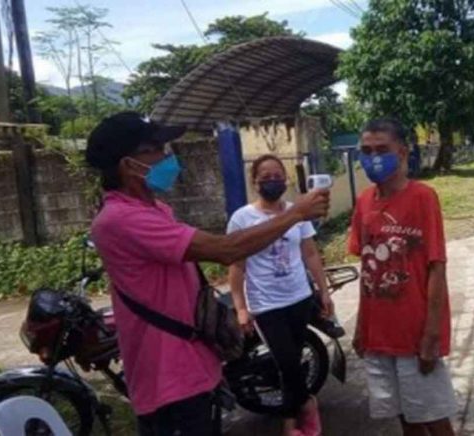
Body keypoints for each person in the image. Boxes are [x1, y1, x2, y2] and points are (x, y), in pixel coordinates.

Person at [85, 112, 330, 436]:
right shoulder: (121, 220)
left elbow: (307, 251)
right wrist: (297, 212)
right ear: (130, 164)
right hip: (168, 380)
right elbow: (226, 251)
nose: (166, 156)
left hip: (193, 364)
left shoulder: (156, 210)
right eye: (156, 149)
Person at [348, 118, 458, 436]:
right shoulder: (364, 201)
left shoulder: (423, 197)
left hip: (414, 333)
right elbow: (367, 271)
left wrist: (432, 334)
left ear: (402, 151)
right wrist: (360, 328)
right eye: (366, 151)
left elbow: (436, 267)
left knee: (434, 417)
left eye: (382, 149)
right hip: (378, 335)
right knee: (404, 416)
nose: (373, 156)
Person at [227, 154, 333, 436]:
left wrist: (323, 291)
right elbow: (236, 265)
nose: (273, 181)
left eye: (278, 176)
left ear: (286, 179)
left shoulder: (299, 212)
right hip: (266, 304)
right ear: (254, 181)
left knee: (293, 362)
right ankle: (302, 410)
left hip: (299, 298)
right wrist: (240, 307)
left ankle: (294, 417)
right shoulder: (242, 218)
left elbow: (310, 253)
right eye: (266, 177)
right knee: (286, 362)